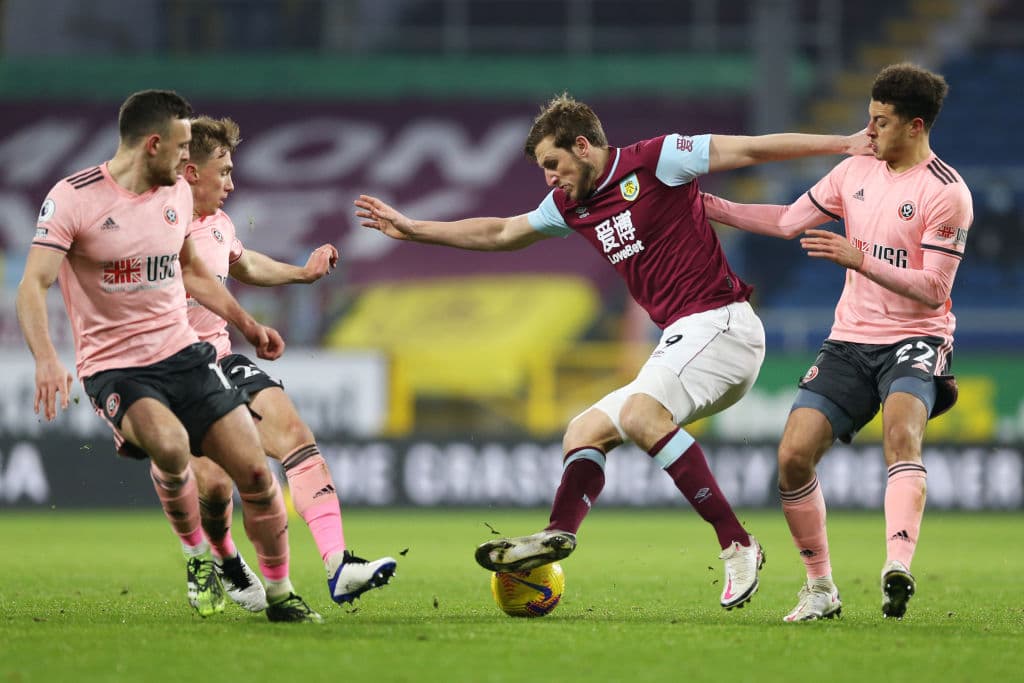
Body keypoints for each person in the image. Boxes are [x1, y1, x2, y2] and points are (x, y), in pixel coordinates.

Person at [355, 93, 870, 610]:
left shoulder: (657, 159)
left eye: (553, 164)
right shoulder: (569, 205)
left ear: (583, 146)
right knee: (584, 430)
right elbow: (502, 230)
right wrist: (413, 229)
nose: (550, 178)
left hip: (723, 325)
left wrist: (842, 143)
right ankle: (556, 535)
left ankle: (736, 542)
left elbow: (752, 151)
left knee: (641, 413)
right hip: (683, 339)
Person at [17, 90, 316, 622]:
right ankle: (196, 555)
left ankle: (280, 594)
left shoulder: (175, 193)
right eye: (181, 148)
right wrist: (45, 357)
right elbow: (32, 284)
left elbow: (196, 271)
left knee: (254, 475)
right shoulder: (74, 198)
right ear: (152, 144)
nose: (187, 162)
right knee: (173, 448)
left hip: (186, 355)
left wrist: (248, 325)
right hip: (116, 367)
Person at [701, 63, 972, 621]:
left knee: (901, 435)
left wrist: (859, 258)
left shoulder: (947, 193)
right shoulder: (855, 170)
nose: (867, 133)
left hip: (915, 338)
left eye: (880, 123)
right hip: (850, 339)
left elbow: (933, 290)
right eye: (867, 120)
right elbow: (786, 222)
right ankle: (821, 588)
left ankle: (897, 566)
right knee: (793, 457)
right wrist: (708, 207)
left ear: (915, 126)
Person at [175, 115, 396, 614]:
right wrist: (252, 324)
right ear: (190, 171)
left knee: (294, 432)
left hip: (220, 359)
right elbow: (191, 279)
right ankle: (226, 559)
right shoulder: (154, 223)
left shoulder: (218, 223)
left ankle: (340, 564)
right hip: (167, 370)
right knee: (212, 485)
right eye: (223, 170)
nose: (232, 183)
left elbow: (243, 263)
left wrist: (303, 274)